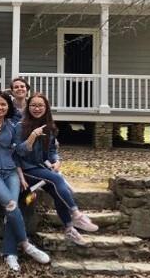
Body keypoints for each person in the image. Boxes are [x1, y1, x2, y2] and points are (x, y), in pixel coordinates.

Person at [0, 90, 49, 272]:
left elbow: (19, 151)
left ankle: (10, 253)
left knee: (12, 210)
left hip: (11, 171)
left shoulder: (12, 126)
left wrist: (31, 138)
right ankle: (27, 245)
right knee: (12, 205)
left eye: (3, 104)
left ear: (8, 107)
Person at [14, 93, 98, 246]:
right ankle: (76, 214)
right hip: (26, 169)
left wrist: (57, 161)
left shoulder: (49, 127)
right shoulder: (20, 126)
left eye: (40, 105)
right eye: (33, 105)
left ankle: (69, 229)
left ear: (46, 108)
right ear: (28, 107)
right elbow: (18, 152)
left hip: (42, 168)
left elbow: (52, 150)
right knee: (58, 180)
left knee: (58, 190)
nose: (37, 108)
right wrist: (32, 137)